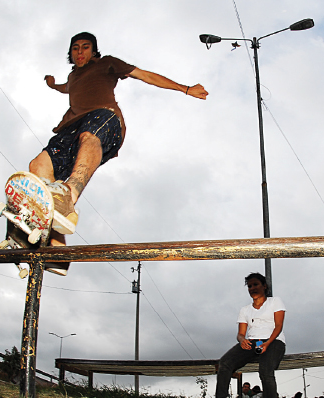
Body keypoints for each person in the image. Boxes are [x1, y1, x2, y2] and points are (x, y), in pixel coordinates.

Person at [29, 32, 208, 276]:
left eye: (85, 47)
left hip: (105, 118)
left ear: (94, 51)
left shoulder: (107, 63)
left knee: (89, 137)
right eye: (75, 49)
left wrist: (185, 88)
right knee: (38, 166)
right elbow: (65, 88)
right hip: (70, 127)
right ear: (71, 54)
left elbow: (144, 75)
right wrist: (52, 84)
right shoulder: (72, 77)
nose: (80, 52)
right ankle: (57, 252)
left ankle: (69, 195)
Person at [214, 272, 286, 398]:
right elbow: (240, 333)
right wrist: (242, 341)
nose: (252, 288)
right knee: (225, 362)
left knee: (266, 371)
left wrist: (267, 343)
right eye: (250, 286)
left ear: (264, 286)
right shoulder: (245, 310)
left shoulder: (275, 302)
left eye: (256, 284)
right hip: (253, 342)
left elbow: (279, 326)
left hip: (273, 340)